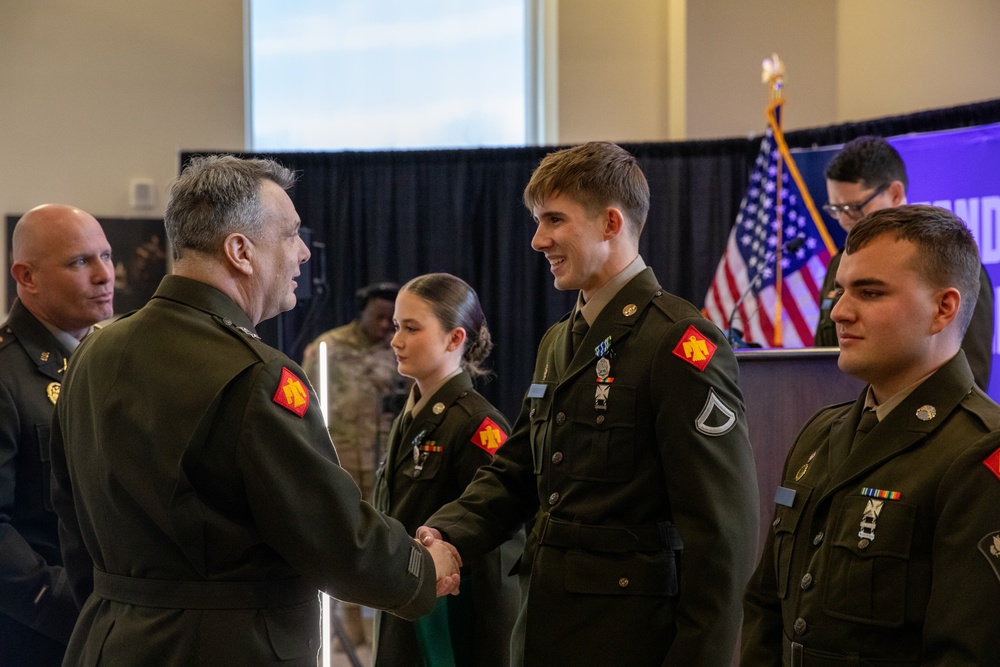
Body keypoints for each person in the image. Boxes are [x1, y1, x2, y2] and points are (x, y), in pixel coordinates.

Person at [48, 155, 460, 666]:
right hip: (222, 647)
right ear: (240, 251)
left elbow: (71, 523)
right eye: (290, 235)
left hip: (109, 640)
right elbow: (335, 537)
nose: (304, 253)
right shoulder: (256, 374)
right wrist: (422, 568)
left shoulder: (93, 352)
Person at [419, 142, 760, 666]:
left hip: (631, 640)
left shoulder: (679, 342)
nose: (538, 240)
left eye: (555, 220)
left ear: (610, 223)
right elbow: (518, 468)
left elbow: (722, 534)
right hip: (545, 629)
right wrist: (450, 534)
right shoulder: (560, 340)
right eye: (537, 221)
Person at [742, 205, 1000, 665]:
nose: (839, 312)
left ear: (943, 308)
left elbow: (966, 652)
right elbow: (766, 611)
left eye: (870, 292)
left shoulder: (980, 451)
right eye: (841, 290)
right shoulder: (820, 434)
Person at [372, 273, 523, 667]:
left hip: (449, 630)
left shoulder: (477, 426)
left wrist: (495, 651)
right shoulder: (410, 414)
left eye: (411, 328)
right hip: (404, 606)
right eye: (395, 327)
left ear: (455, 338)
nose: (396, 341)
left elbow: (498, 559)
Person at [0, 204, 114, 666]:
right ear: (26, 277)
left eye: (106, 255)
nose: (106, 275)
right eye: (80, 262)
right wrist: (66, 601)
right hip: (37, 632)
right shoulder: (6, 375)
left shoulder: (103, 359)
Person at [815, 135, 993, 390]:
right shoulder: (838, 264)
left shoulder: (949, 262)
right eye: (836, 209)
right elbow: (820, 363)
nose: (844, 220)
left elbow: (970, 375)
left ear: (895, 193)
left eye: (854, 207)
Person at [301, 281, 408, 647]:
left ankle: (384, 630)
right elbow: (304, 407)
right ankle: (347, 631)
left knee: (386, 546)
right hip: (340, 462)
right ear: (361, 310)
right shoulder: (327, 348)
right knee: (342, 544)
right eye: (378, 317)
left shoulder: (399, 351)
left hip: (385, 466)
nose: (384, 327)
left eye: (390, 320)